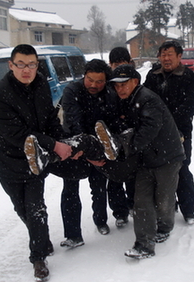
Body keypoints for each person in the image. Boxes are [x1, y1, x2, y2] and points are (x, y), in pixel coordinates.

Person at [0, 44, 78, 281]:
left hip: (35, 161)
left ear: (37, 65)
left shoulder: (40, 86)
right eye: (21, 64)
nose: (27, 70)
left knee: (36, 208)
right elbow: (18, 134)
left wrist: (61, 140)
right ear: (11, 65)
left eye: (32, 64)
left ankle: (38, 258)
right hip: (7, 162)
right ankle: (41, 238)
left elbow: (48, 118)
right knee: (23, 208)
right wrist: (53, 144)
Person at [95, 64, 186, 259]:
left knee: (163, 200)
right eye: (116, 85)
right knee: (142, 201)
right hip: (145, 159)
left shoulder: (148, 100)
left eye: (124, 84)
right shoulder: (126, 100)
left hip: (167, 158)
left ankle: (164, 226)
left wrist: (121, 148)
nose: (119, 89)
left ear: (135, 82)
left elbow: (147, 132)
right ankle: (144, 244)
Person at [59, 59, 129, 248]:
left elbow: (113, 119)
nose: (94, 85)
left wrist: (102, 145)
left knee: (102, 184)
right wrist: (83, 147)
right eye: (90, 79)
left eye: (99, 81)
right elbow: (74, 120)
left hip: (99, 144)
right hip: (74, 143)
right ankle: (73, 235)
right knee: (70, 190)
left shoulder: (109, 93)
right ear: (85, 75)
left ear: (106, 81)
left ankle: (108, 217)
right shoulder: (72, 91)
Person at [144, 41, 194, 225]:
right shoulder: (153, 77)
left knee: (182, 168)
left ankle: (188, 209)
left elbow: (192, 105)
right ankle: (169, 205)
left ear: (179, 56)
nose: (166, 58)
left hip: (180, 132)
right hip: (156, 133)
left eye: (170, 55)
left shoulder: (189, 77)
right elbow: (145, 101)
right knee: (160, 171)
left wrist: (168, 122)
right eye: (163, 55)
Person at [107, 47, 136, 212]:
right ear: (110, 65)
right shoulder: (108, 85)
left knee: (133, 175)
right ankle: (119, 211)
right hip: (112, 137)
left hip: (132, 137)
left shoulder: (134, 81)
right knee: (114, 178)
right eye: (115, 64)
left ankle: (133, 204)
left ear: (129, 63)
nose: (118, 67)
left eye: (122, 63)